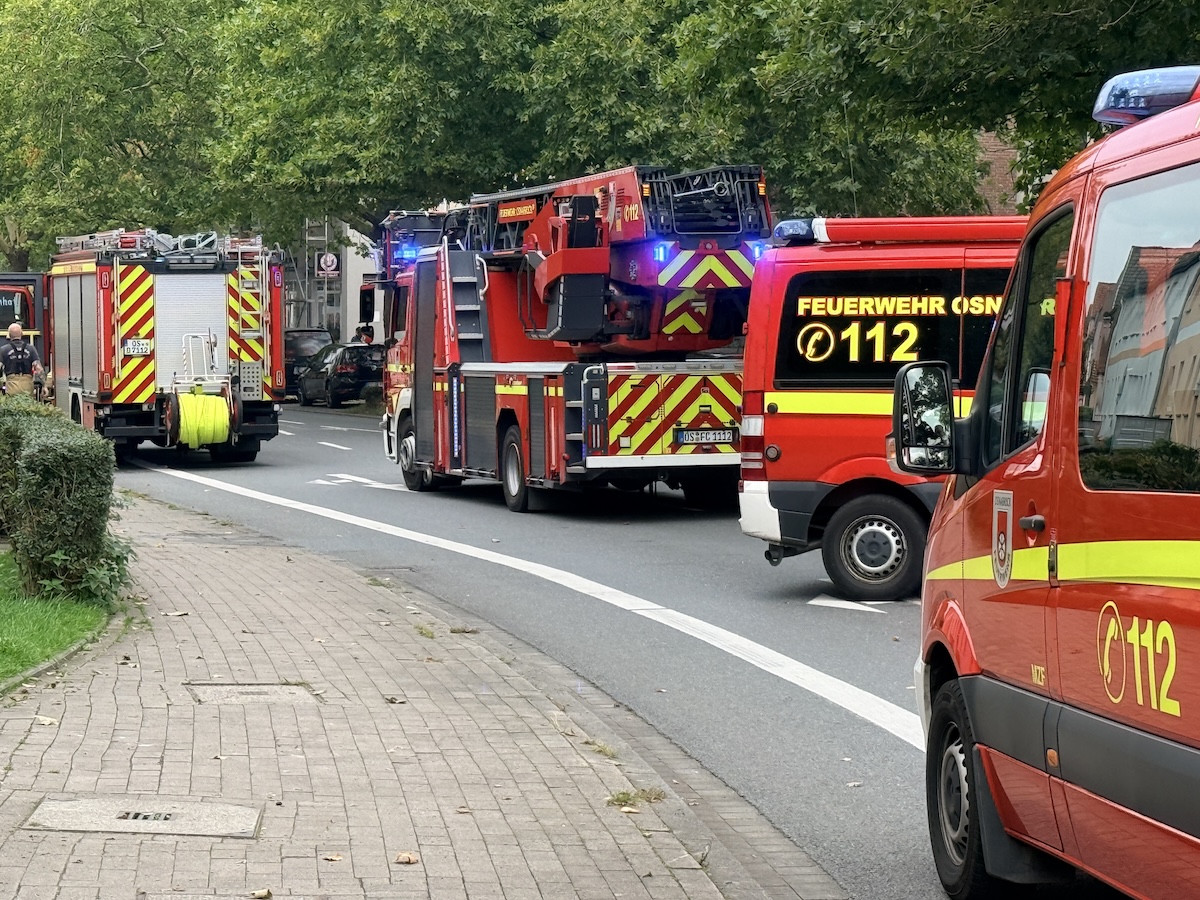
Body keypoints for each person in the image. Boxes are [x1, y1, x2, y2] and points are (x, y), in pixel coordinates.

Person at [1, 324, 42, 397]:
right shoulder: (31, 348)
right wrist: (43, 386)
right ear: (22, 333)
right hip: (27, 386)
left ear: (9, 335)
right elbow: (38, 368)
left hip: (11, 386)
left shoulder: (3, 350)